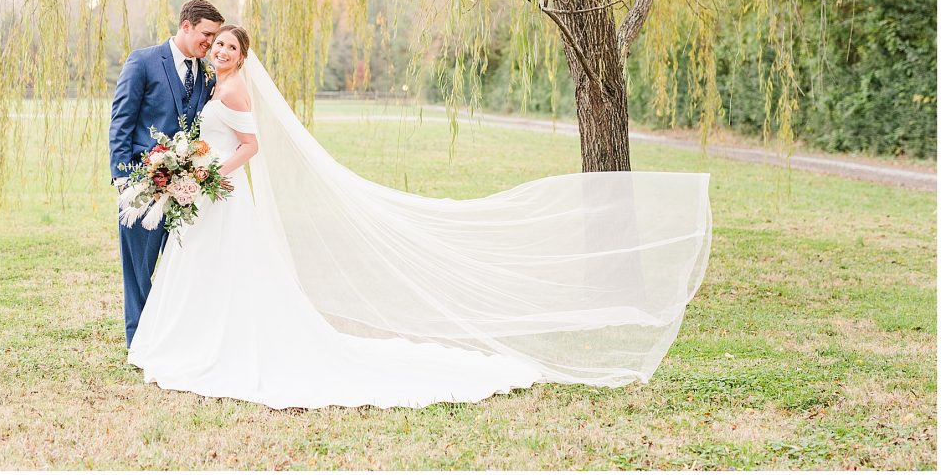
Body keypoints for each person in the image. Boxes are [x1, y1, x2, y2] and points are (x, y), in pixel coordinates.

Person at [127, 24, 713, 409]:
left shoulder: (234, 93)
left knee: (224, 271)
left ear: (243, 56)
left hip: (218, 193)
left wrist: (205, 177)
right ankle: (184, 338)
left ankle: (210, 344)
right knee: (203, 269)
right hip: (205, 195)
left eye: (231, 47)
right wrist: (190, 172)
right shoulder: (215, 84)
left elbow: (251, 149)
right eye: (218, 45)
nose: (222, 51)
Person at [109, 0, 224, 347]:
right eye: (207, 34)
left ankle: (174, 337)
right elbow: (121, 121)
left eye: (216, 36)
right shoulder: (143, 61)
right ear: (186, 25)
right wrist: (123, 179)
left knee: (183, 268)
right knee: (139, 269)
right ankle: (139, 341)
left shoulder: (206, 74)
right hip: (144, 185)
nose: (211, 43)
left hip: (187, 189)